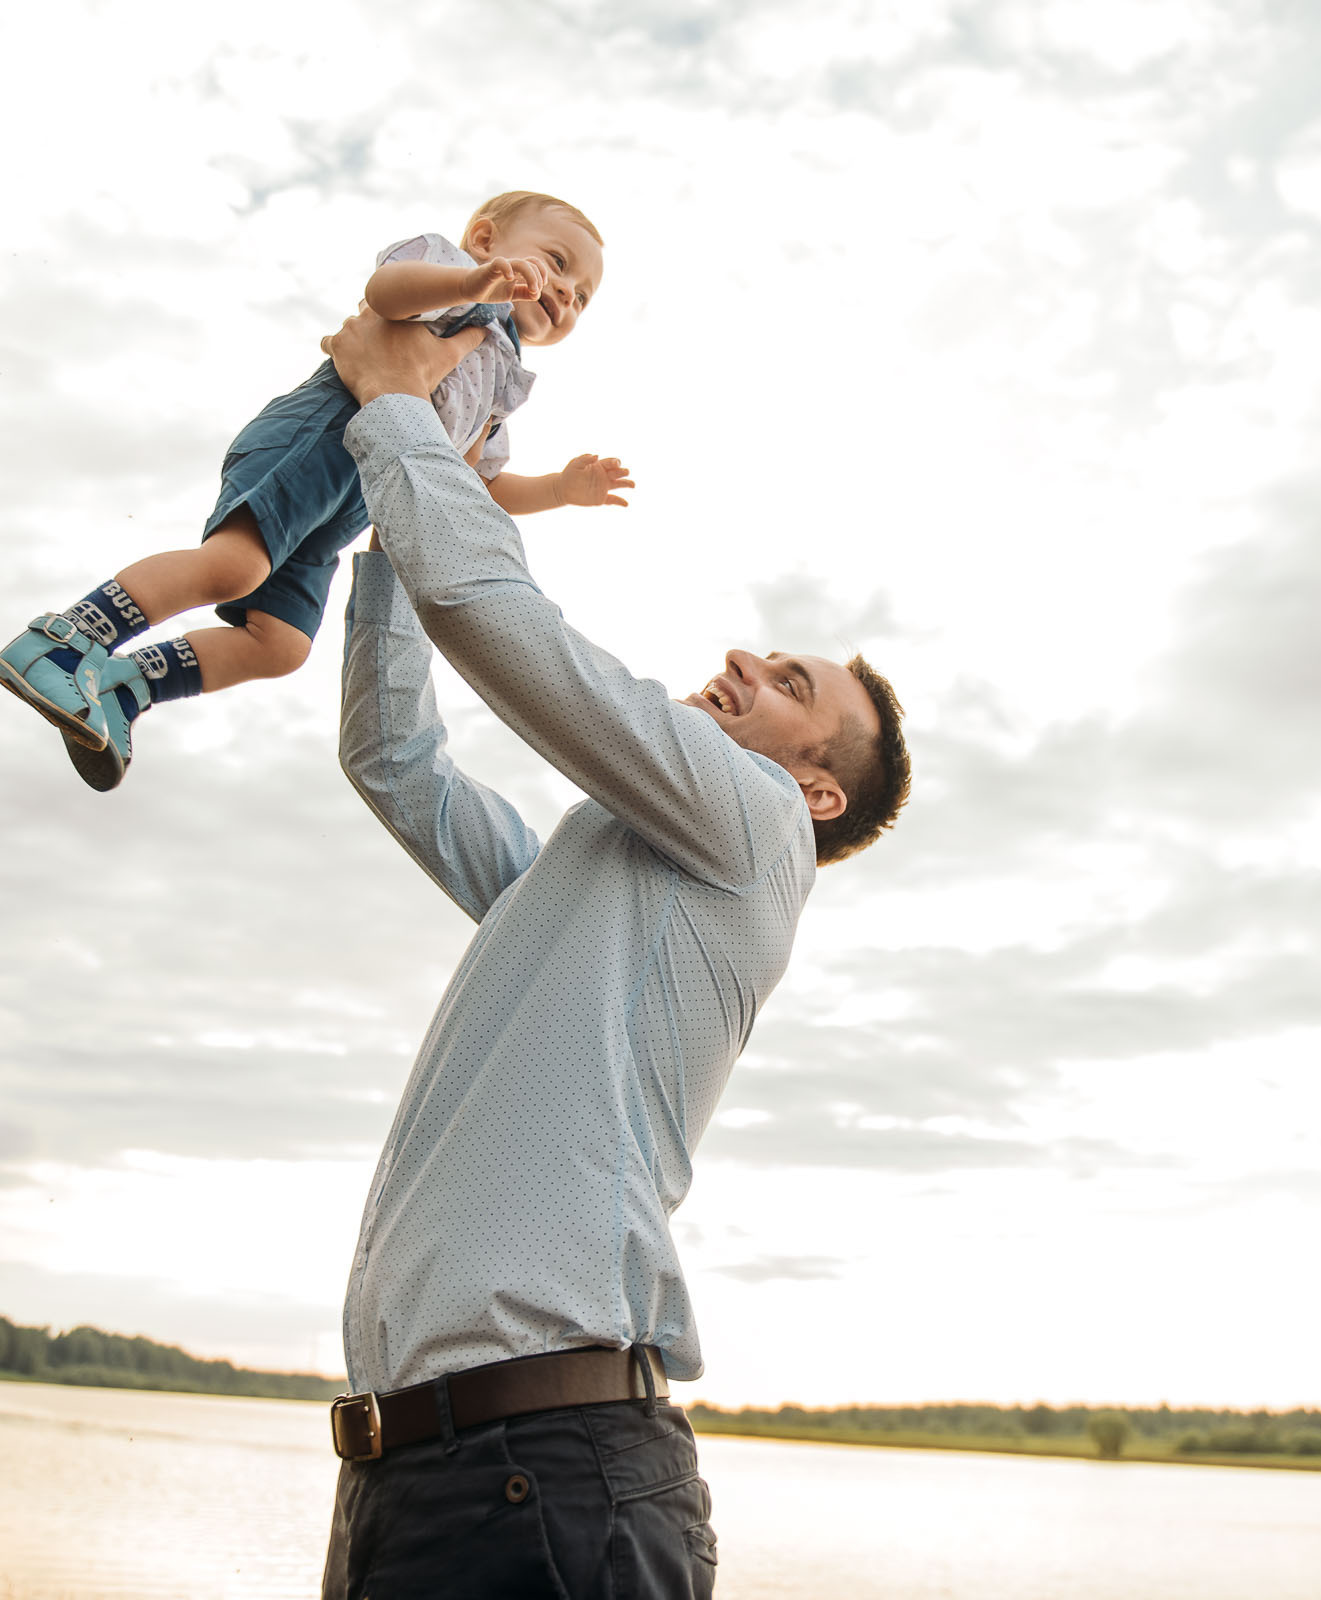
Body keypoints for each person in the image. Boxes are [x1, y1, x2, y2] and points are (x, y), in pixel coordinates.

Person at [317, 309, 911, 1598]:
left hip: (546, 1476)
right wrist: (388, 547)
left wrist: (397, 415)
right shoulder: (583, 886)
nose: (746, 658)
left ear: (815, 791)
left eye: (792, 686)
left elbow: (501, 617)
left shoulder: (759, 830)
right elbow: (396, 763)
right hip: (414, 1477)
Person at [0, 191, 631, 790]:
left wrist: (559, 489)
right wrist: (469, 282)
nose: (566, 292)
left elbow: (473, 484)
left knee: (282, 644)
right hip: (320, 436)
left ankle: (125, 687)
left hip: (349, 501)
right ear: (485, 239)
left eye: (582, 296)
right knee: (235, 567)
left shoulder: (501, 385)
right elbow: (386, 294)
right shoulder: (459, 280)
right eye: (558, 262)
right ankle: (64, 643)